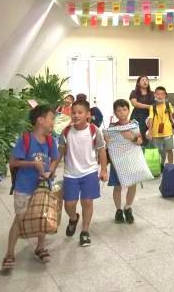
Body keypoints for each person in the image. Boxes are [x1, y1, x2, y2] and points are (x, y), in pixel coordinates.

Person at [1, 105, 60, 271]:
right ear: (40, 120)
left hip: (43, 186)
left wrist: (50, 170)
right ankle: (9, 253)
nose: (53, 122)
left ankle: (40, 247)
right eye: (51, 118)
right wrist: (33, 164)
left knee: (42, 215)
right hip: (24, 187)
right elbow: (13, 162)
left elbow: (55, 159)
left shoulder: (50, 140)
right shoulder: (25, 139)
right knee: (19, 218)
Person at [59, 99, 108, 247]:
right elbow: (60, 152)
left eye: (80, 112)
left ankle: (85, 231)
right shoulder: (66, 131)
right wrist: (52, 168)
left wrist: (104, 170)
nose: (76, 115)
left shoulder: (94, 130)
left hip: (89, 172)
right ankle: (73, 218)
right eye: (73, 112)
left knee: (87, 202)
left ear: (87, 114)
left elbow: (101, 150)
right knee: (69, 203)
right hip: (70, 173)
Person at [104, 99, 141, 225]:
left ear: (128, 110)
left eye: (124, 109)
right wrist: (107, 140)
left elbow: (140, 141)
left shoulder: (134, 124)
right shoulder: (112, 128)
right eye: (118, 110)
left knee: (132, 184)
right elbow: (108, 143)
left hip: (132, 159)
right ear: (115, 112)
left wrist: (132, 137)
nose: (122, 112)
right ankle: (118, 210)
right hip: (117, 161)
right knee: (117, 186)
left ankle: (128, 207)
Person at [146, 86, 174, 167]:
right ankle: (159, 166)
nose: (159, 96)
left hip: (168, 132)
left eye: (162, 94)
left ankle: (170, 167)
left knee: (169, 150)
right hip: (155, 133)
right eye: (157, 94)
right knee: (157, 151)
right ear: (154, 95)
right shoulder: (152, 107)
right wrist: (150, 131)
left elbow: (173, 113)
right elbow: (151, 119)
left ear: (165, 95)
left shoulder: (168, 105)